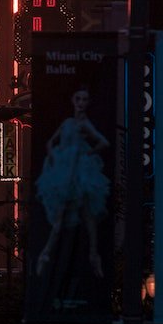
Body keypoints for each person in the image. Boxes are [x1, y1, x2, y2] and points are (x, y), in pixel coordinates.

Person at [35, 86, 110, 279]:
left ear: (88, 102)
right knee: (64, 218)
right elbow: (51, 142)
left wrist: (87, 153)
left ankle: (92, 255)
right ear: (73, 100)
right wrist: (54, 156)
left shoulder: (84, 124)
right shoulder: (68, 122)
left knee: (88, 216)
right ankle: (47, 254)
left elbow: (103, 142)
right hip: (64, 173)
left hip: (78, 173)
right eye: (78, 99)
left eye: (85, 99)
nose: (81, 103)